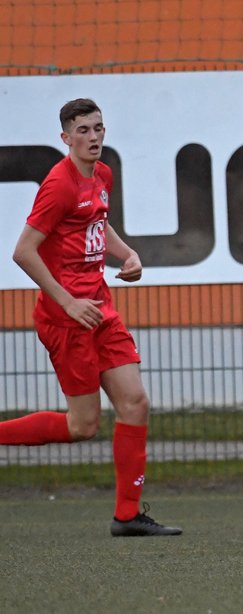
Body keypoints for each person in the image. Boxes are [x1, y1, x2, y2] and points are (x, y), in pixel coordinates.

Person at [4, 98, 181, 537]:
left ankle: (127, 516)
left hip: (100, 309)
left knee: (135, 403)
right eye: (83, 130)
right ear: (66, 137)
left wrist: (128, 254)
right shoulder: (59, 185)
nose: (93, 136)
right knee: (82, 425)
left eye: (98, 127)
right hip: (67, 318)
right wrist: (67, 302)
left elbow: (97, 225)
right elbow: (23, 251)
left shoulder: (102, 174)